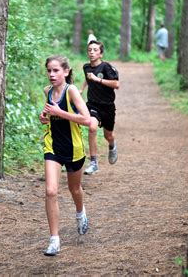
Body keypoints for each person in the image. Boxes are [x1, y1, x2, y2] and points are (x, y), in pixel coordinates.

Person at [39, 55, 92, 256]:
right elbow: (47, 116)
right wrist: (43, 117)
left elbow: (86, 120)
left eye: (56, 71)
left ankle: (80, 213)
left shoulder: (71, 92)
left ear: (66, 72)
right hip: (52, 147)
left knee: (74, 188)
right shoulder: (47, 91)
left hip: (74, 149)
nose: (52, 74)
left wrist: (59, 112)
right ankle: (54, 240)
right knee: (51, 191)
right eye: (49, 71)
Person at [79, 40, 120, 175]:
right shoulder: (86, 67)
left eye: (95, 50)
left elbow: (116, 84)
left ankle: (112, 145)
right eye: (90, 50)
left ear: (101, 53)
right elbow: (87, 77)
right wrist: (81, 89)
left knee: (108, 135)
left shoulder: (106, 67)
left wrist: (98, 79)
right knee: (92, 127)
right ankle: (94, 163)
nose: (92, 52)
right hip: (93, 104)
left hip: (107, 107)